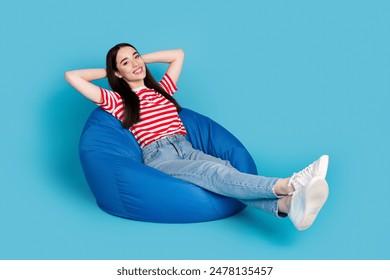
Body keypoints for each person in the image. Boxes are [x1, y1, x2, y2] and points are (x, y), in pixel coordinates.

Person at [65, 43, 330, 231]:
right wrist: (112, 71)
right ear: (117, 73)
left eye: (136, 57)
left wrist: (137, 61)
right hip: (160, 156)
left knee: (224, 170)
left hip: (186, 147)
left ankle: (286, 206)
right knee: (216, 174)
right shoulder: (118, 100)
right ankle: (289, 184)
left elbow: (178, 54)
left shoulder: (162, 89)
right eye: (126, 62)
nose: (135, 64)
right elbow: (72, 76)